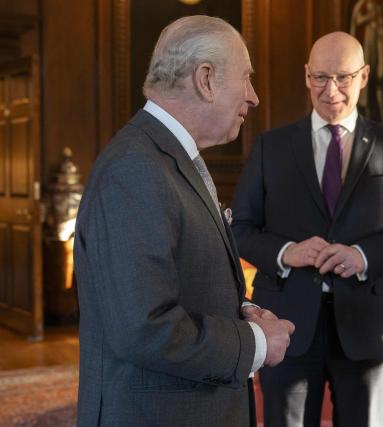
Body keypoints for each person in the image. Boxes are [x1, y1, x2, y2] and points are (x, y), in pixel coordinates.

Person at [73, 16, 295, 427]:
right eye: (245, 78)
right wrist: (256, 344)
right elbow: (145, 327)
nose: (254, 97)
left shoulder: (165, 159)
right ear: (206, 79)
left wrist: (241, 311)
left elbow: (178, 282)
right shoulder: (134, 169)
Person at [230, 31, 383, 427]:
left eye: (343, 77)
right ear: (307, 76)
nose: (331, 90)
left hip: (370, 325)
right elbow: (239, 229)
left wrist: (362, 256)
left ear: (364, 75)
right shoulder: (270, 147)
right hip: (286, 322)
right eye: (320, 77)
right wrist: (286, 252)